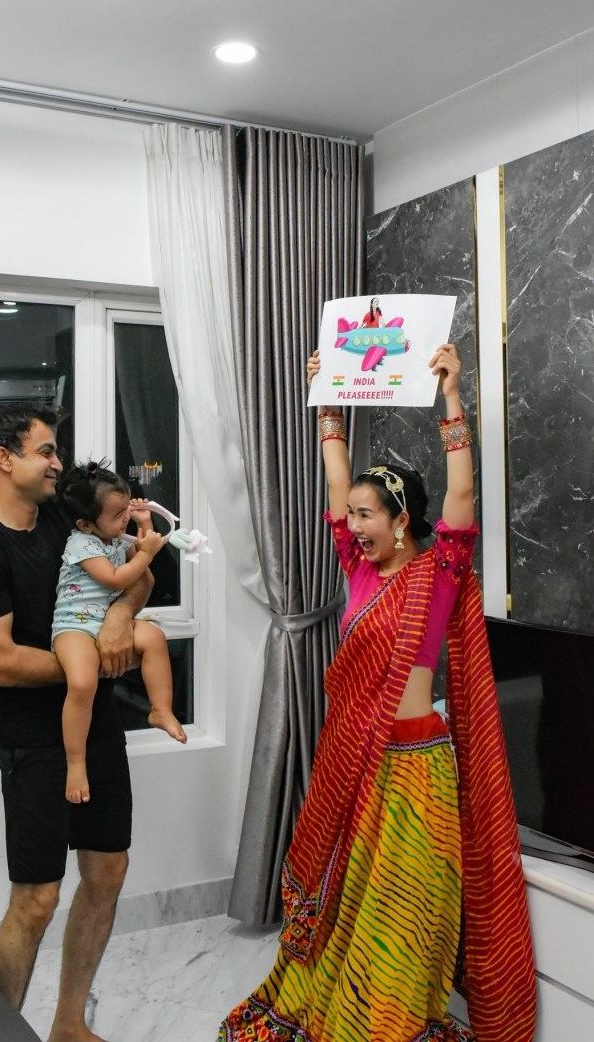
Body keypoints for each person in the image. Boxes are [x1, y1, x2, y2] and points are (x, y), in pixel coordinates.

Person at [219, 343, 535, 1042]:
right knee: (350, 900)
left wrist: (452, 397)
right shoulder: (359, 572)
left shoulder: (438, 573)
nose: (354, 525)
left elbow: (461, 500)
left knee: (407, 910)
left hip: (418, 769)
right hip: (358, 760)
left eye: (367, 515)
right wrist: (329, 402)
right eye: (353, 515)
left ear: (401, 520)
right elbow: (336, 479)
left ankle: (391, 1023)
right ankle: (346, 1012)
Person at [0, 405, 149, 1042]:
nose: (59, 463)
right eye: (45, 451)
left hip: (98, 727)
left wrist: (118, 622)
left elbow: (139, 573)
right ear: (4, 459)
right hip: (34, 741)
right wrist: (87, 664)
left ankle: (68, 1025)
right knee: (36, 899)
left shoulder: (70, 518)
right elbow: (1, 663)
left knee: (108, 872)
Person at [53, 461, 186, 804]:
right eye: (118, 514)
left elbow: (140, 553)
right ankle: (75, 763)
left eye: (126, 509)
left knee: (154, 638)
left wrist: (144, 523)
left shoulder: (113, 538)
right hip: (74, 626)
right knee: (82, 683)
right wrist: (147, 552)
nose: (125, 518)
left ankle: (160, 709)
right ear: (85, 523)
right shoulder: (82, 544)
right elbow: (116, 579)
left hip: (107, 622)